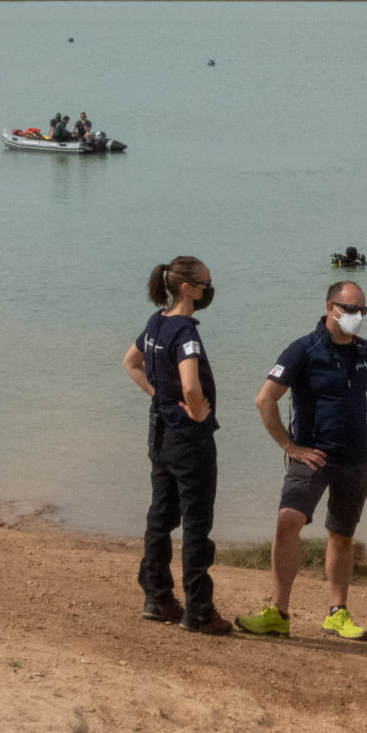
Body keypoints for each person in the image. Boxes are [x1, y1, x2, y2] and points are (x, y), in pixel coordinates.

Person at [241, 280, 367, 639]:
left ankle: (337, 613)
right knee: (287, 522)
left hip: (356, 457)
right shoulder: (303, 350)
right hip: (312, 455)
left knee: (342, 535)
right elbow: (265, 400)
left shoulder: (365, 352)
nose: (358, 317)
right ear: (331, 309)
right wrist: (290, 447)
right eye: (351, 309)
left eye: (363, 310)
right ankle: (278, 613)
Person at [120, 256, 229, 635]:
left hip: (160, 434)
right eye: (205, 284)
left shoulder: (156, 323)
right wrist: (196, 411)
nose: (209, 290)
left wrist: (160, 397)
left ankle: (157, 596)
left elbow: (130, 362)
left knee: (161, 515)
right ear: (187, 289)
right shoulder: (185, 332)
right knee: (196, 522)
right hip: (188, 440)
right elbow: (190, 384)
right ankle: (198, 610)